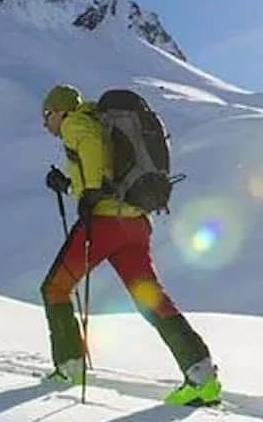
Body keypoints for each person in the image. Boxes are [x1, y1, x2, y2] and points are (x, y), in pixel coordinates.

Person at [37, 84, 220, 405]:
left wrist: (90, 189)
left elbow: (93, 155)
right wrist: (68, 186)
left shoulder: (76, 123)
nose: (46, 123)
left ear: (60, 110)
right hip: (134, 223)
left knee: (55, 288)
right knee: (150, 298)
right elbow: (105, 175)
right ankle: (201, 377)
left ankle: (69, 367)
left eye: (47, 115)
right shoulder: (101, 123)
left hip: (106, 224)